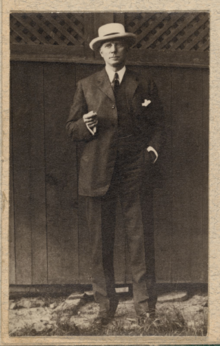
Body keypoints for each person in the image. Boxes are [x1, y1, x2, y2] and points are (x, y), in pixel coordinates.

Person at [66, 23, 164, 325]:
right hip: (97, 173)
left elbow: (158, 125)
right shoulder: (86, 85)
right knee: (100, 243)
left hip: (135, 171)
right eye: (107, 46)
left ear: (126, 48)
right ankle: (105, 309)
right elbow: (72, 129)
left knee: (140, 241)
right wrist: (87, 125)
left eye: (118, 44)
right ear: (99, 51)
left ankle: (146, 310)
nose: (113, 50)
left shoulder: (144, 83)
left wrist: (151, 152)